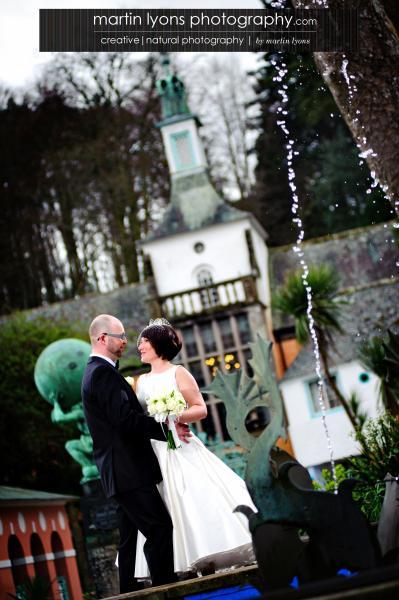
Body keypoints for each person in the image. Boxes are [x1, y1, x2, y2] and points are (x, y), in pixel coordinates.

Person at [133, 318, 256, 579]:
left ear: (157, 344)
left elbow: (200, 408)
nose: (139, 345)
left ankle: (205, 551)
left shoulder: (178, 373)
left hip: (182, 447)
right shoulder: (140, 382)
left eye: (144, 340)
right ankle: (174, 562)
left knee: (194, 497)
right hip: (155, 451)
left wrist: (175, 417)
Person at [81, 314, 190, 593]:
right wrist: (167, 429)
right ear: (103, 338)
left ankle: (128, 591)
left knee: (129, 538)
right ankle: (167, 591)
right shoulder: (102, 373)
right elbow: (125, 420)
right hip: (128, 471)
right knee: (159, 529)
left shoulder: (96, 371)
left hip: (120, 472)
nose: (126, 342)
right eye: (121, 337)